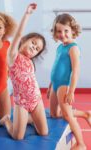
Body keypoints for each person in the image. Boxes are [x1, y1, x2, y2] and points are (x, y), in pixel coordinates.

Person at [0, 3, 48, 140]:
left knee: (43, 132)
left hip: (36, 100)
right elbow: (18, 34)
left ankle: (29, 119)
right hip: (22, 103)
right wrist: (27, 14)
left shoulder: (30, 61)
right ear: (24, 40)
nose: (34, 48)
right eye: (33, 43)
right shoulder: (13, 56)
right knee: (17, 136)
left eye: (37, 49)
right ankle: (7, 120)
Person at [48, 13, 91, 150]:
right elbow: (55, 67)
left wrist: (71, 91)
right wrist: (50, 86)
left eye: (66, 31)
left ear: (72, 30)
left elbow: (75, 71)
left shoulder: (73, 48)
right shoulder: (60, 47)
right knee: (54, 114)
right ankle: (85, 113)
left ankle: (81, 143)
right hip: (55, 84)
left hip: (64, 86)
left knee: (67, 115)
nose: (62, 34)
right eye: (59, 31)